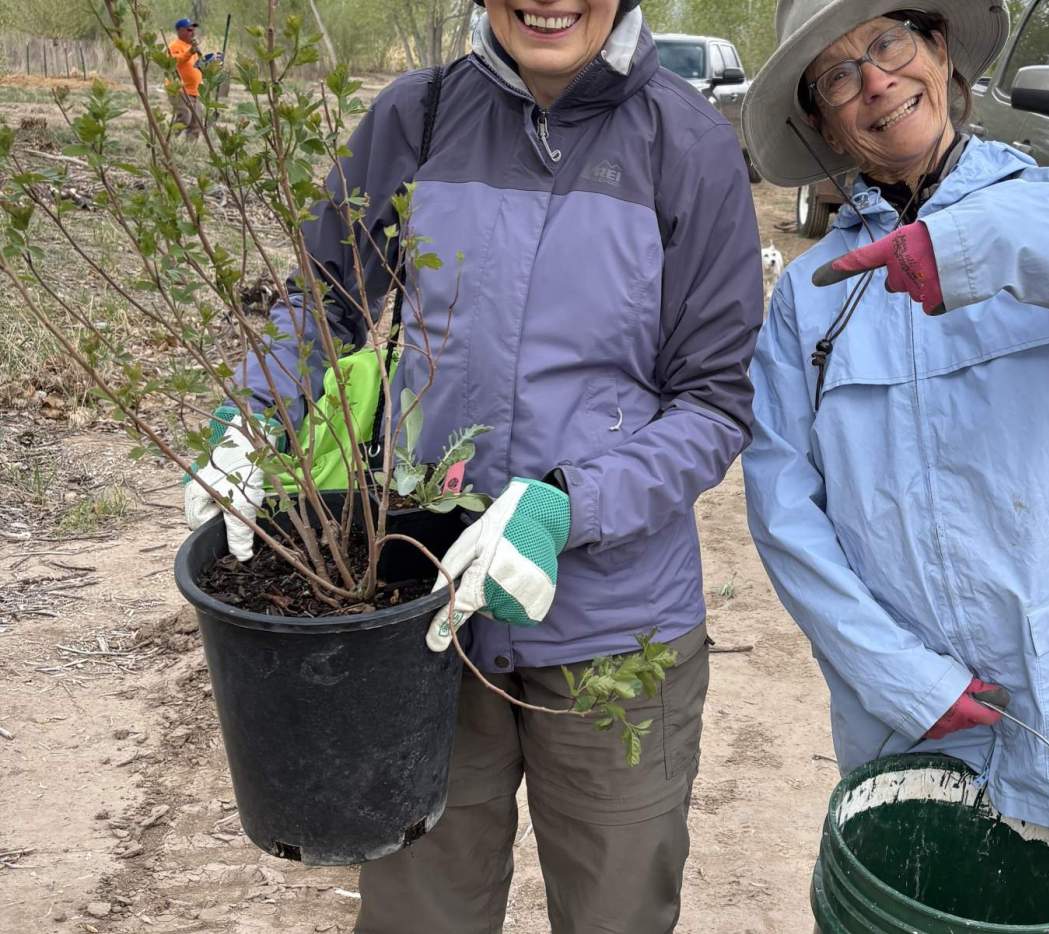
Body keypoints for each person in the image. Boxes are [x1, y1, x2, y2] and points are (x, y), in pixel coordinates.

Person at [184, 0, 764, 930]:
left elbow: (714, 402)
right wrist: (252, 418)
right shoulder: (415, 117)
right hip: (422, 617)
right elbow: (327, 298)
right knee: (422, 911)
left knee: (619, 907)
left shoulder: (687, 145)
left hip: (617, 627)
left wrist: (564, 507)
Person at [739, 1, 1049, 931]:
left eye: (888, 43)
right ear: (823, 125)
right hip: (912, 721)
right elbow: (783, 513)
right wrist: (902, 680)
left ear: (938, 52)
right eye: (838, 76)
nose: (876, 83)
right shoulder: (811, 299)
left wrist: (978, 243)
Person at [166, 18, 203, 138]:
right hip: (179, 89)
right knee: (184, 117)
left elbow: (198, 66)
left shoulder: (192, 47)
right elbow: (175, 61)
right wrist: (190, 52)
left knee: (196, 122)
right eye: (189, 29)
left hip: (194, 91)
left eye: (193, 29)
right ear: (180, 31)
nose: (192, 32)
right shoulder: (175, 46)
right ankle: (168, 142)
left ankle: (190, 150)